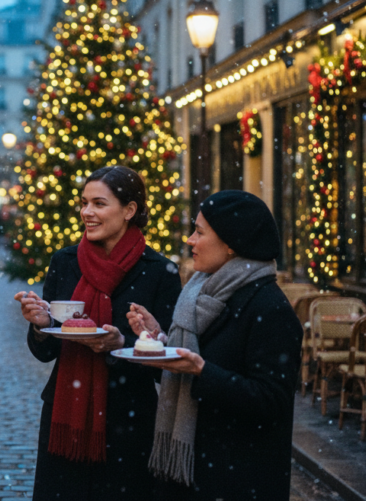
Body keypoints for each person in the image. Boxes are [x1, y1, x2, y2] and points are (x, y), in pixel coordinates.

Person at [13, 166, 181, 501]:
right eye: (84, 203)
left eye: (99, 204)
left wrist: (124, 344)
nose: (86, 212)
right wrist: (41, 325)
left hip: (128, 417)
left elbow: (168, 359)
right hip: (65, 414)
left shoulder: (159, 271)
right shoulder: (65, 261)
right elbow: (45, 352)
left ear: (129, 210)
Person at [126, 190, 303, 500]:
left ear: (232, 243)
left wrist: (202, 372)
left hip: (236, 476)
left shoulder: (269, 307)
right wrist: (162, 342)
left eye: (200, 232)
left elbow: (271, 401)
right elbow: (190, 365)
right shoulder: (199, 294)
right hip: (192, 472)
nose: (190, 240)